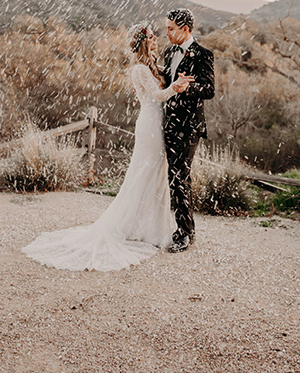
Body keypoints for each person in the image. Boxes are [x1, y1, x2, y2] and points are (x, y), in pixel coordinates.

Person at [22, 23, 193, 271]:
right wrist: (174, 88)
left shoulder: (152, 66)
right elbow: (156, 96)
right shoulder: (140, 69)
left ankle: (148, 227)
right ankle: (137, 228)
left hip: (158, 122)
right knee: (146, 170)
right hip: (150, 124)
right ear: (144, 41)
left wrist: (172, 84)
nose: (157, 39)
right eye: (153, 36)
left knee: (154, 171)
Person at [162, 8, 216, 253]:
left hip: (189, 126)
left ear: (185, 29)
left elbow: (209, 90)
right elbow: (165, 82)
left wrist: (188, 90)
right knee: (173, 177)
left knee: (179, 177)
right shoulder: (168, 52)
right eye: (166, 28)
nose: (167, 33)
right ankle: (179, 228)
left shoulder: (203, 55)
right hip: (168, 124)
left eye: (171, 28)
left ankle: (185, 233)